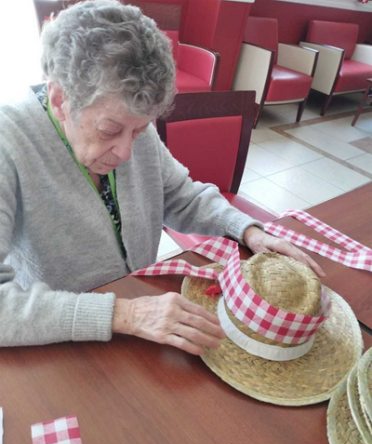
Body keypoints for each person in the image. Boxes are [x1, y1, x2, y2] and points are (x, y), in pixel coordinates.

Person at [0, 0, 323, 355]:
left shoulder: (131, 122)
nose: (125, 153)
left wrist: (248, 230)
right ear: (60, 99)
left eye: (139, 131)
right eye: (110, 129)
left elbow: (180, 196)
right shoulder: (8, 143)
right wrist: (125, 314)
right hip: (60, 341)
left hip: (140, 315)